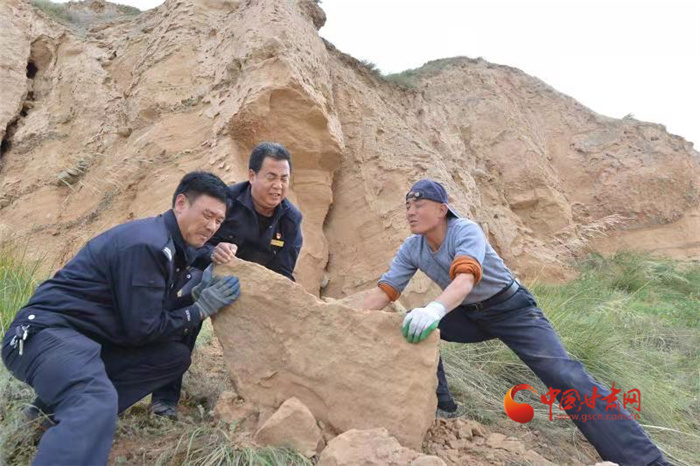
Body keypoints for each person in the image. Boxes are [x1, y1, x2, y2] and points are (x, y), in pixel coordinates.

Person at [360, 178, 667, 465]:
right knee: (412, 327)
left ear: (442, 209)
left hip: (512, 309)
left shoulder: (465, 230)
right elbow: (386, 290)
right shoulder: (412, 247)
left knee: (564, 375)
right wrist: (354, 322)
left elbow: (465, 280)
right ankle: (443, 405)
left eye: (419, 205)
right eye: (407, 206)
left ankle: (645, 460)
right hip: (469, 314)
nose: (411, 212)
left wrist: (434, 310)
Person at [1, 171, 240, 466]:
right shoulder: (147, 245)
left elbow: (191, 256)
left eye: (219, 220)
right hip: (42, 334)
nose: (212, 226)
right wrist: (200, 309)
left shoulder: (172, 245)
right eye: (206, 215)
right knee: (94, 400)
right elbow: (143, 330)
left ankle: (47, 415)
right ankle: (72, 416)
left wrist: (214, 253)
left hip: (82, 341)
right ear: (180, 203)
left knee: (173, 357)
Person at [149, 142, 303, 414]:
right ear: (252, 175)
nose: (278, 186)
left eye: (284, 178)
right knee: (189, 299)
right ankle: (165, 398)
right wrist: (213, 250)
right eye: (271, 177)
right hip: (209, 274)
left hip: (259, 288)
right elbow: (191, 245)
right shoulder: (226, 202)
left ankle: (265, 399)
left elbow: (284, 273)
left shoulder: (290, 219)